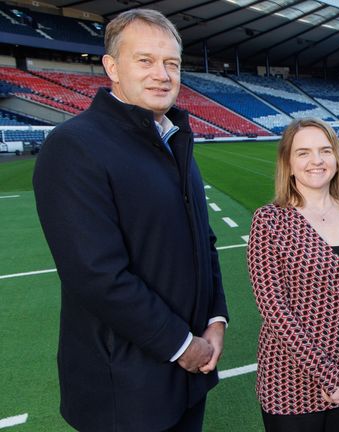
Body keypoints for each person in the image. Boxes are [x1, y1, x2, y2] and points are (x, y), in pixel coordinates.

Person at [32, 9, 228, 432]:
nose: (162, 74)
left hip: (187, 378)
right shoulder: (74, 147)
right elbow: (95, 274)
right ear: (111, 67)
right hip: (125, 392)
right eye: (145, 60)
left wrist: (215, 319)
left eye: (171, 63)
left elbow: (203, 241)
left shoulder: (173, 138)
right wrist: (181, 345)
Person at [247, 118, 339, 432]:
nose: (316, 161)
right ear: (288, 163)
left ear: (337, 159)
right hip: (290, 384)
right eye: (303, 152)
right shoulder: (269, 220)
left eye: (325, 150)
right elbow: (274, 309)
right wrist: (331, 376)